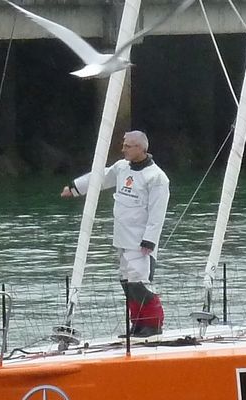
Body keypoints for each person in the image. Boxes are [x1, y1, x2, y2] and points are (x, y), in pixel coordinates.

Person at [61, 130, 170, 337]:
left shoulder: (156, 178)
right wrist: (75, 188)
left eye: (128, 146)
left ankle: (153, 324)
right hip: (122, 237)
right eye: (124, 145)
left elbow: (158, 212)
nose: (123, 149)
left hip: (141, 241)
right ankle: (137, 323)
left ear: (141, 148)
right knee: (127, 284)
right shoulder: (121, 168)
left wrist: (150, 240)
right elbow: (100, 177)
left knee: (139, 284)